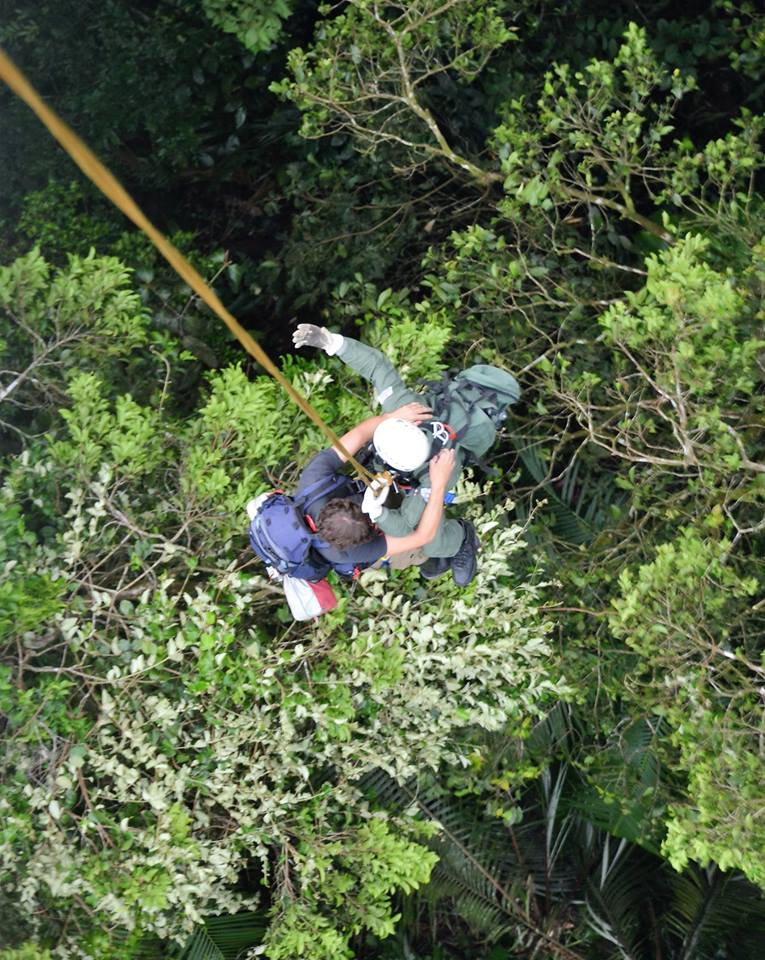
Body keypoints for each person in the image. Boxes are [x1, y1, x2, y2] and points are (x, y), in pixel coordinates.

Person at [293, 324, 485, 585]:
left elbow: (422, 535)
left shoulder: (406, 416)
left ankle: (460, 538)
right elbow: (377, 370)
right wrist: (380, 513)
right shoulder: (350, 551)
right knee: (401, 548)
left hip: (409, 476)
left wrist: (330, 342)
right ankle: (424, 558)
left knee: (432, 543)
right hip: (382, 485)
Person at [295, 403, 459, 572]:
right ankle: (455, 542)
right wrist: (438, 484)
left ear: (337, 502)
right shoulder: (347, 553)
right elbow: (422, 536)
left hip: (371, 488)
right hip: (368, 541)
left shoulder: (314, 482)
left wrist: (391, 417)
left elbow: (360, 434)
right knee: (424, 547)